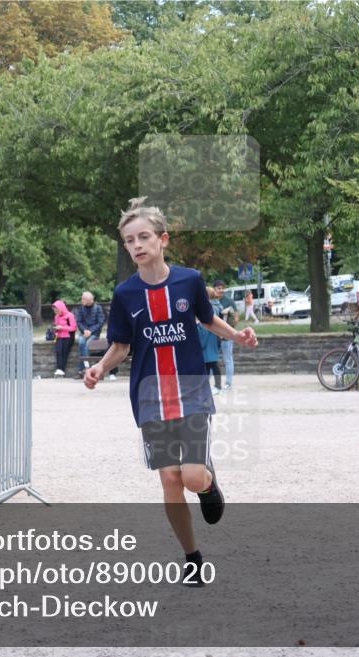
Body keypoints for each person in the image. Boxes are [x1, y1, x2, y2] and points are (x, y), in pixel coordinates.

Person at [84, 197, 258, 587]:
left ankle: (210, 485)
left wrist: (237, 336)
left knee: (192, 477)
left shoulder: (189, 280)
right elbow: (121, 347)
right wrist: (99, 367)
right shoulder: (125, 294)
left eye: (144, 236)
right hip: (149, 396)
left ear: (163, 240)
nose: (137, 245)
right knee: (170, 482)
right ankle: (191, 557)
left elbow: (206, 318)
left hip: (192, 388)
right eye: (130, 240)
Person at [212, 279, 238, 390]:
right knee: (211, 360)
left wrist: (230, 331)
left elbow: (236, 318)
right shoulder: (209, 301)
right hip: (213, 335)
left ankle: (228, 384)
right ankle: (211, 384)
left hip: (226, 335)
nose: (221, 290)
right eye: (218, 288)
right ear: (214, 289)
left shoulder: (229, 301)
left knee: (228, 359)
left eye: (222, 288)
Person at [73, 291, 105, 379]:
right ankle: (87, 368)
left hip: (94, 334)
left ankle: (83, 370)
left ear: (89, 300)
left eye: (83, 299)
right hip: (84, 333)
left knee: (87, 345)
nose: (81, 300)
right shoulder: (81, 308)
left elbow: (100, 322)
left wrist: (90, 331)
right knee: (81, 343)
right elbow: (79, 321)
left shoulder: (98, 308)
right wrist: (84, 330)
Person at [51, 299, 77, 377]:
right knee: (58, 352)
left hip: (68, 337)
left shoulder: (70, 315)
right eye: (54, 310)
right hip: (59, 337)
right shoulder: (56, 317)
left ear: (61, 308)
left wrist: (62, 327)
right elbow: (56, 326)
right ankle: (59, 369)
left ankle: (61, 370)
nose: (56, 312)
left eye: (57, 310)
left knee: (64, 353)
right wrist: (55, 330)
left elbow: (73, 328)